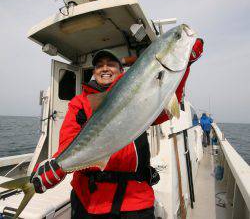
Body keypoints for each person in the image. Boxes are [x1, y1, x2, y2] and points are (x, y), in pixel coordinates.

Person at [30, 38, 204, 219]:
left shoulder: (139, 94)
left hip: (135, 199)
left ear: (122, 71)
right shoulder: (80, 103)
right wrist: (57, 166)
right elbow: (67, 142)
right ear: (94, 72)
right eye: (98, 66)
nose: (104, 68)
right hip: (89, 199)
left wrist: (185, 63)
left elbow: (165, 105)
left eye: (111, 64)